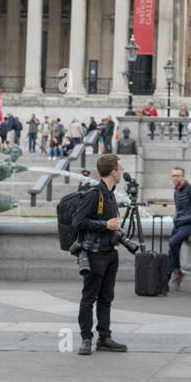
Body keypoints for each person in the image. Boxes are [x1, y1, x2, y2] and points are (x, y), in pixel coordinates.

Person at [72, 152, 129, 355]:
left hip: (110, 253)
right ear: (113, 172)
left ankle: (104, 337)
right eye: (120, 169)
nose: (121, 173)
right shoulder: (94, 194)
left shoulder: (110, 194)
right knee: (89, 298)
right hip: (95, 254)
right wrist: (105, 224)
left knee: (106, 298)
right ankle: (86, 339)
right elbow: (78, 222)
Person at [167, 166, 191, 288]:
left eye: (177, 175)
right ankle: (166, 279)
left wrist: (183, 219)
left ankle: (177, 271)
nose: (175, 178)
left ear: (183, 177)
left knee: (173, 243)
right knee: (171, 247)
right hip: (180, 224)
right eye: (173, 176)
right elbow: (179, 209)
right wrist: (176, 219)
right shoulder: (176, 191)